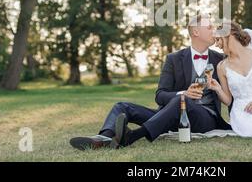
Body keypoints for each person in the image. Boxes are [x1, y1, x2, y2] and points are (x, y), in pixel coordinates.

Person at [69, 15, 231, 150]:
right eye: (209, 27)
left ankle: (132, 136)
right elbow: (160, 96)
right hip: (169, 117)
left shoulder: (221, 60)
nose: (214, 31)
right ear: (196, 31)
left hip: (205, 118)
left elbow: (233, 92)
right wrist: (184, 93)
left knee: (182, 100)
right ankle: (102, 139)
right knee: (121, 106)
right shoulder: (173, 59)